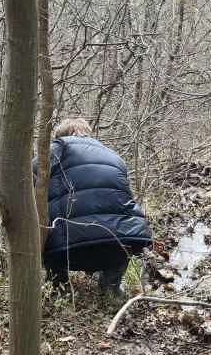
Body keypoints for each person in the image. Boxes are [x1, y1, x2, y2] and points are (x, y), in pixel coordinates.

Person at [42, 118, 152, 302]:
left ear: (61, 135)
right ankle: (110, 288)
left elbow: (28, 178)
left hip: (66, 247)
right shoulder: (114, 156)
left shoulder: (57, 148)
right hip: (117, 241)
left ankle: (58, 287)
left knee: (49, 239)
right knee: (120, 246)